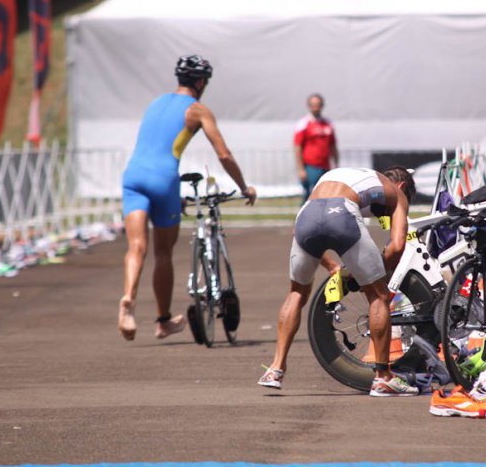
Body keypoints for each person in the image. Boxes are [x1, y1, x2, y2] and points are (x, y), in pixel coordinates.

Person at [118, 54, 257, 341]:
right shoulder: (198, 110)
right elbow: (223, 154)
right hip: (164, 180)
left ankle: (128, 299)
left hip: (132, 176)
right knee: (163, 252)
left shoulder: (155, 103)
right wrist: (244, 186)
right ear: (201, 81)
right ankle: (162, 320)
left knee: (136, 246)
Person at [258, 166, 419, 397]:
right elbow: (397, 247)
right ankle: (383, 378)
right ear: (402, 186)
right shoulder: (396, 192)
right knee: (379, 296)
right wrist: (371, 278)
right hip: (342, 213)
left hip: (307, 215)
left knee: (296, 293)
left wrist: (334, 267)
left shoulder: (346, 176)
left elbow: (306, 231)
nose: (381, 216)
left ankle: (275, 369)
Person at [293, 94, 338, 202]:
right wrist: (301, 169)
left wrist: (335, 165)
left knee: (326, 195)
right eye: (313, 105)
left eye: (318, 105)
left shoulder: (328, 123)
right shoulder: (303, 124)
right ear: (309, 106)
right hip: (310, 167)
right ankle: (305, 218)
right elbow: (297, 147)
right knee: (310, 196)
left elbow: (333, 146)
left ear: (322, 106)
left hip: (325, 166)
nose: (315, 107)